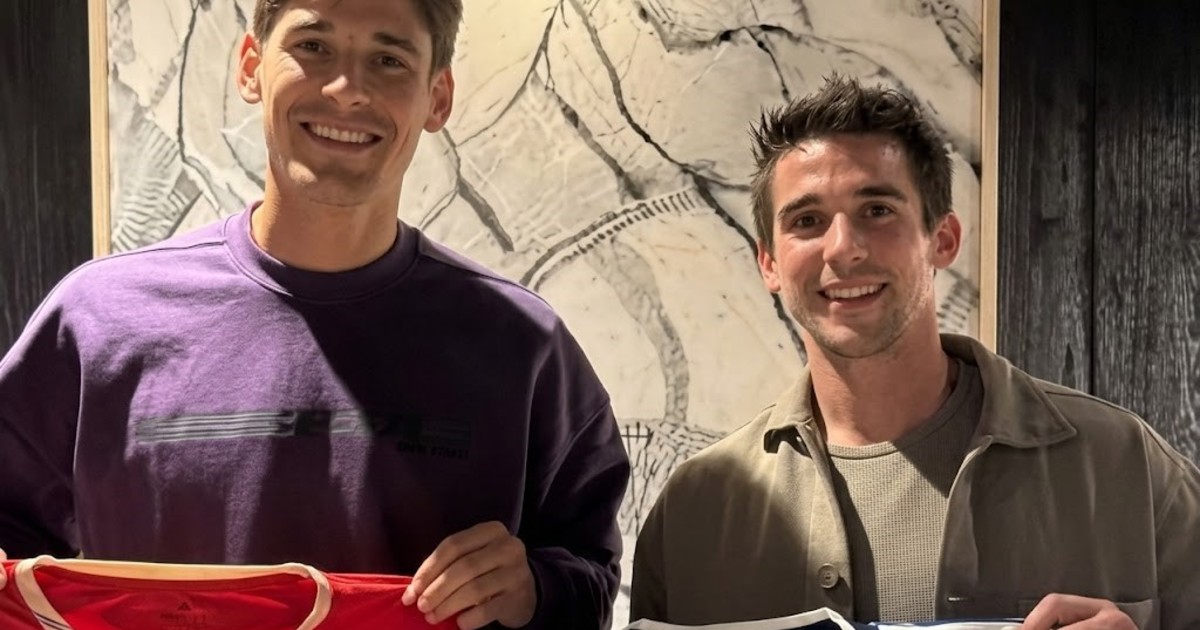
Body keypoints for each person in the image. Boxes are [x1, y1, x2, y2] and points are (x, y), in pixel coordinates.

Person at [0, 1, 630, 628]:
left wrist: (535, 589)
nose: (346, 89)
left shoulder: (522, 347)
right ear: (251, 67)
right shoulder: (99, 320)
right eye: (313, 47)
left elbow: (592, 579)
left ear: (437, 97)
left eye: (388, 60)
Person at [629, 75, 1200, 629]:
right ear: (769, 264)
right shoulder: (692, 513)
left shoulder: (1128, 468)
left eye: (877, 210)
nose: (843, 248)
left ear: (942, 240)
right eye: (807, 220)